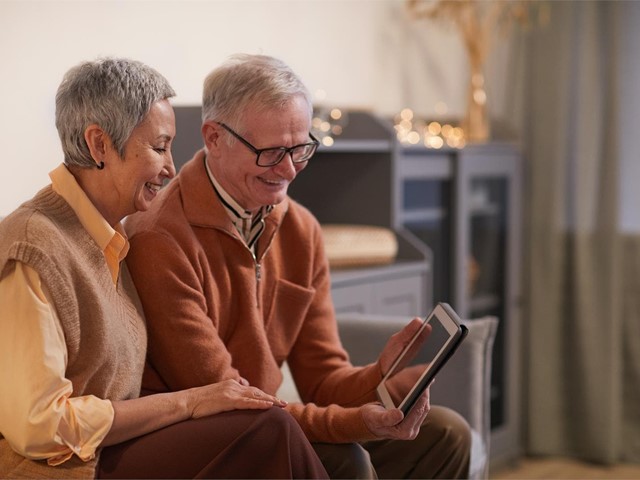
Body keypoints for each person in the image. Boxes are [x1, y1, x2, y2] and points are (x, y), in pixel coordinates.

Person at [125, 53, 471, 479]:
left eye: (301, 148)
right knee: (346, 459)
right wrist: (358, 423)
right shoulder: (160, 238)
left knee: (447, 435)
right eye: (271, 152)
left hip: (269, 422)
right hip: (208, 439)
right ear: (214, 137)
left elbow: (323, 380)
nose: (289, 170)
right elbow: (234, 403)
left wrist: (383, 375)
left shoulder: (301, 229)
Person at [0, 57, 329, 480]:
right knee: (268, 430)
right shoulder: (33, 247)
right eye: (159, 147)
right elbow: (38, 426)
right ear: (100, 145)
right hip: (67, 469)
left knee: (289, 441)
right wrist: (188, 403)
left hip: (116, 449)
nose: (172, 168)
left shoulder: (106, 239)